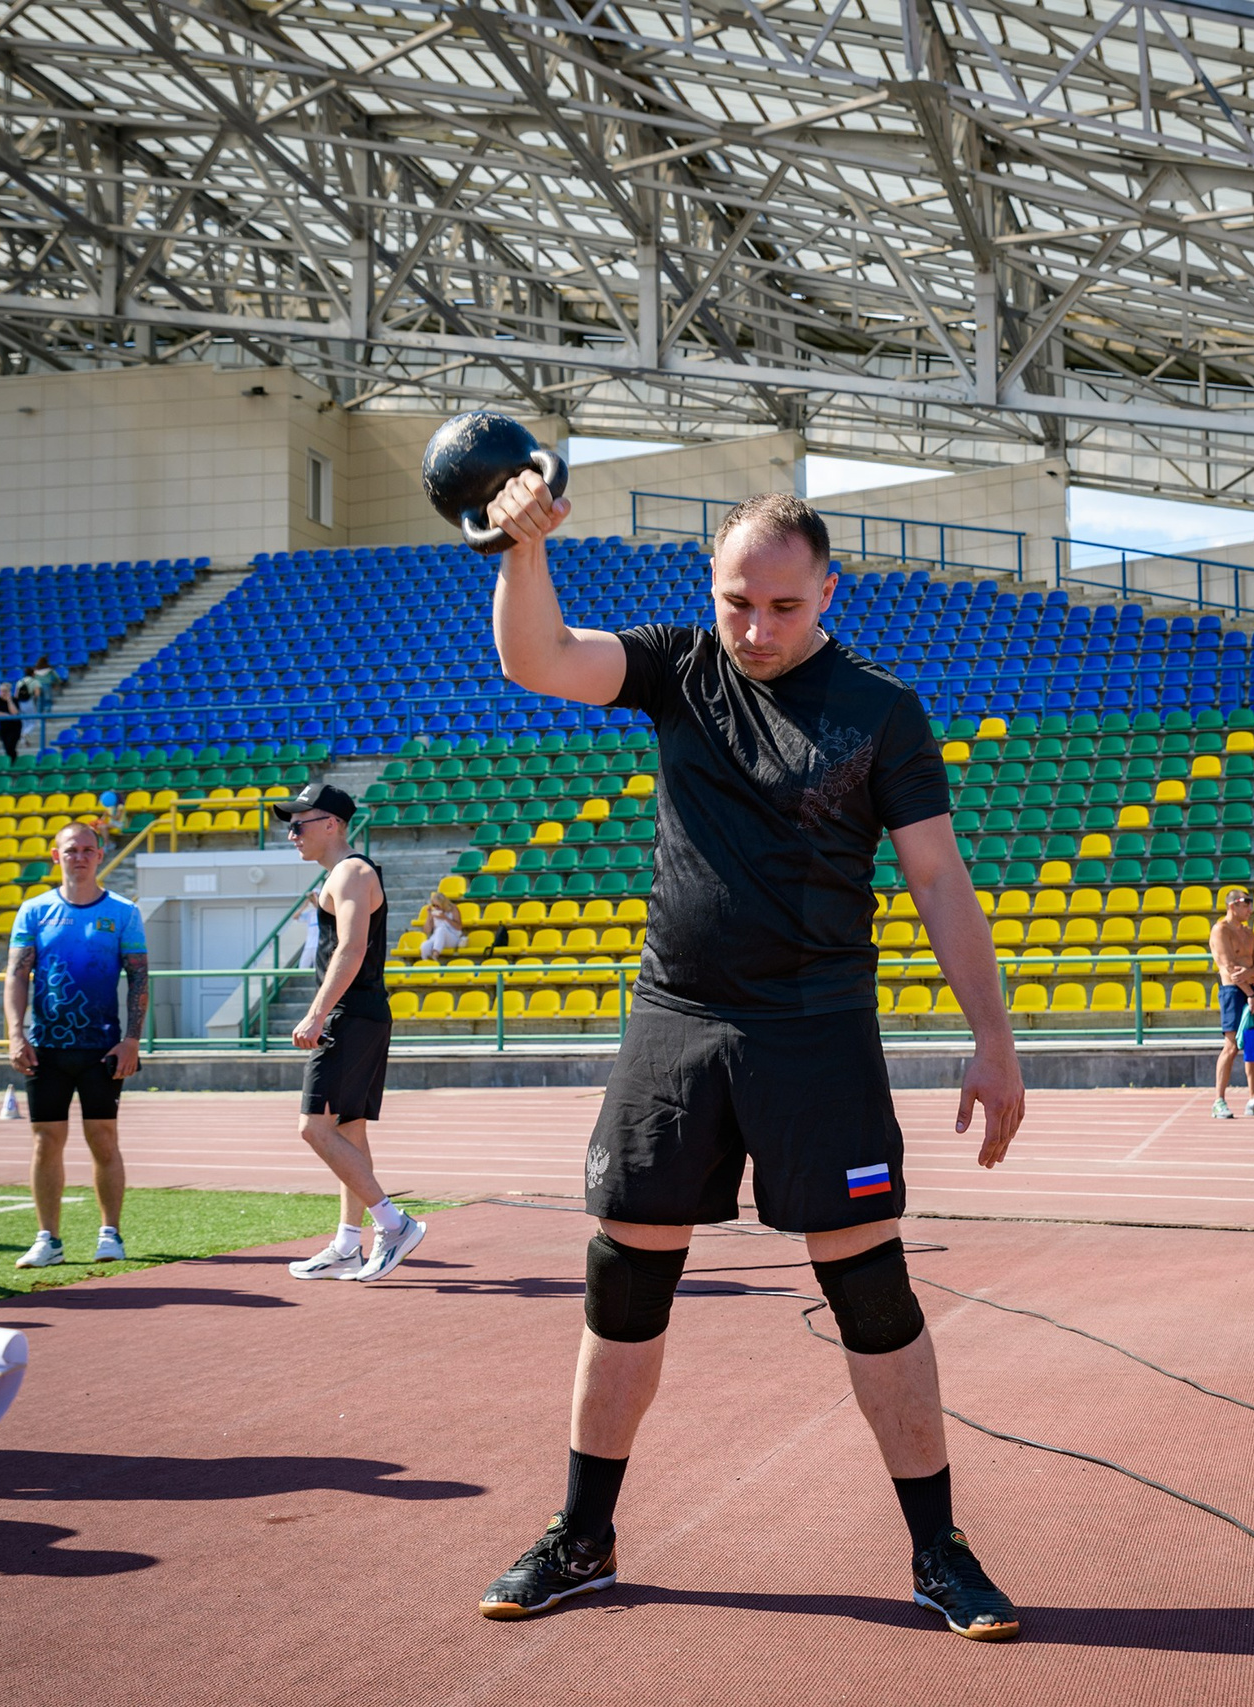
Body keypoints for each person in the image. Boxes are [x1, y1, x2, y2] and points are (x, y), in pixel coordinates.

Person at [475, 482, 1028, 1640]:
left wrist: (993, 1040)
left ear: (827, 591)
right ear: (711, 592)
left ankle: (937, 1551)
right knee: (625, 1273)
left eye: (783, 605)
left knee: (868, 1284)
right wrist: (521, 548)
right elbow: (537, 659)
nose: (757, 628)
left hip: (816, 1026)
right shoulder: (679, 668)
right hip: (675, 1017)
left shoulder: (880, 710)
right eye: (738, 602)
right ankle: (583, 1536)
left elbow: (937, 879)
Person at [275, 784, 423, 1282]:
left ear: (332, 824)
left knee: (313, 1128)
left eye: (300, 824)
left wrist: (317, 1014)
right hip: (359, 1013)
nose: (292, 834)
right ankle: (346, 1245)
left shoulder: (352, 872)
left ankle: (394, 1224)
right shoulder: (340, 875)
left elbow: (352, 949)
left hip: (350, 1015)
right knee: (347, 1131)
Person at [4, 822, 147, 1269]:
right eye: (71, 850)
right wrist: (15, 1033)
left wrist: (131, 1040)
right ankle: (48, 1238)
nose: (79, 857)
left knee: (103, 1138)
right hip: (45, 1047)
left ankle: (110, 1234)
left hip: (102, 1048)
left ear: (100, 856)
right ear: (56, 856)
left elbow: (139, 978)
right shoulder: (34, 911)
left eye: (87, 850)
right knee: (46, 1141)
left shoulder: (123, 912)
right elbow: (16, 975)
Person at [1208, 887, 1254, 1118]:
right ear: (1232, 905)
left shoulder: (1248, 932)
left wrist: (1249, 981)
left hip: (1250, 991)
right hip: (1233, 992)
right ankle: (1219, 1100)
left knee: (1253, 1045)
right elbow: (1228, 967)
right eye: (1245, 904)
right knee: (1231, 1046)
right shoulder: (1221, 930)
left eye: (1250, 904)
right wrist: (1249, 993)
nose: (1249, 909)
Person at [421, 889, 469, 960]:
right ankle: (427, 964)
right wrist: (429, 916)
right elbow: (427, 931)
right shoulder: (434, 911)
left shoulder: (453, 909)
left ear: (443, 904)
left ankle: (435, 954)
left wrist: (445, 918)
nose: (436, 907)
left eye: (438, 906)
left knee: (441, 930)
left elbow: (459, 927)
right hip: (437, 938)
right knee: (424, 946)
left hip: (452, 937)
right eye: (434, 905)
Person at [0, 680, 23, 763]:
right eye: (1, 691)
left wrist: (9, 700)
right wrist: (6, 715)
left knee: (11, 746)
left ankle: (13, 762)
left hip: (14, 727)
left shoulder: (14, 700)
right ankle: (12, 762)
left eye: (5, 691)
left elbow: (14, 713)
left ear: (9, 691)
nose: (3, 693)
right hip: (4, 727)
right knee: (7, 747)